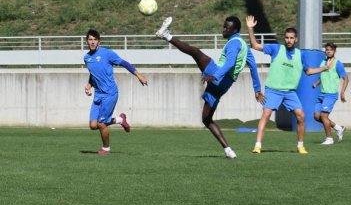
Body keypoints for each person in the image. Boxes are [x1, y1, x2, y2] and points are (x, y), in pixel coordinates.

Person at [155, 16, 264, 159]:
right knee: (206, 119)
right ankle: (228, 150)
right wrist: (257, 89)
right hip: (224, 85)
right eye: (224, 26)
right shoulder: (244, 46)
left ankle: (166, 35)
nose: (223, 29)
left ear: (235, 30)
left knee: (195, 52)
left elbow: (229, 63)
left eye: (227, 27)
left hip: (218, 77)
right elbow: (253, 67)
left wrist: (215, 75)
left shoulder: (234, 43)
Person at [246, 15, 332, 154]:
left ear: (296, 39)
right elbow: (255, 45)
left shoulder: (300, 54)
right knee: (266, 115)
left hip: (290, 92)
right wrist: (250, 29)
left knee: (301, 116)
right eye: (287, 37)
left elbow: (309, 71)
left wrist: (324, 68)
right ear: (284, 38)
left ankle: (300, 146)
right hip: (273, 90)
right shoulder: (276, 49)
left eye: (292, 38)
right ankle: (257, 145)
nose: (289, 40)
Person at [84, 29, 148, 155]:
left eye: (95, 40)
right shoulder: (86, 58)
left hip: (110, 93)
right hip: (98, 95)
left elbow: (124, 63)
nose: (92, 42)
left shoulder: (107, 53)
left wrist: (138, 75)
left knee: (101, 123)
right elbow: (93, 74)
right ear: (86, 41)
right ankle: (120, 120)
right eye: (90, 39)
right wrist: (89, 84)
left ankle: (106, 148)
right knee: (93, 125)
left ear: (99, 42)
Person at [312, 42, 349, 145]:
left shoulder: (337, 63)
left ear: (334, 51)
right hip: (321, 94)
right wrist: (316, 83)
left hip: (331, 94)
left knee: (324, 116)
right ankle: (338, 128)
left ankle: (329, 139)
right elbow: (323, 75)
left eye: (331, 50)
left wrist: (342, 92)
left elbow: (346, 79)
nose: (328, 51)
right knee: (316, 116)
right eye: (327, 49)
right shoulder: (323, 62)